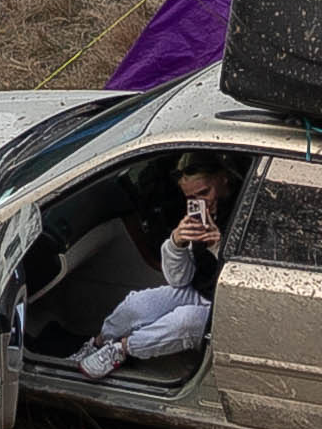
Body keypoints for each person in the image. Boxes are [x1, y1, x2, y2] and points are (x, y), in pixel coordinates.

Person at [66, 159, 232, 380]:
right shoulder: (203, 217)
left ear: (223, 179)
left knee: (184, 321)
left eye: (204, 192)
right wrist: (177, 244)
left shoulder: (249, 210)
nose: (200, 202)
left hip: (228, 303)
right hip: (200, 290)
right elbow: (179, 280)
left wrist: (218, 249)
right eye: (191, 198)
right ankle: (99, 342)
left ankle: (122, 349)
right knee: (137, 305)